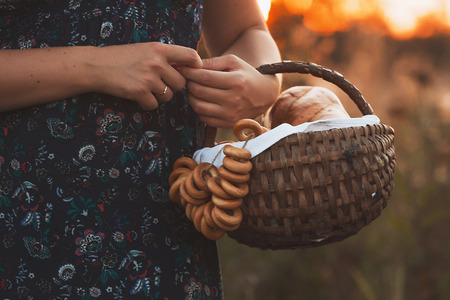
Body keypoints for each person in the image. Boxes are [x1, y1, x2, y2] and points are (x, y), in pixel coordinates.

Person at [0, 0, 281, 298]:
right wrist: (94, 66)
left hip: (165, 233)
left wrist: (263, 82)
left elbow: (246, 31)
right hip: (25, 226)